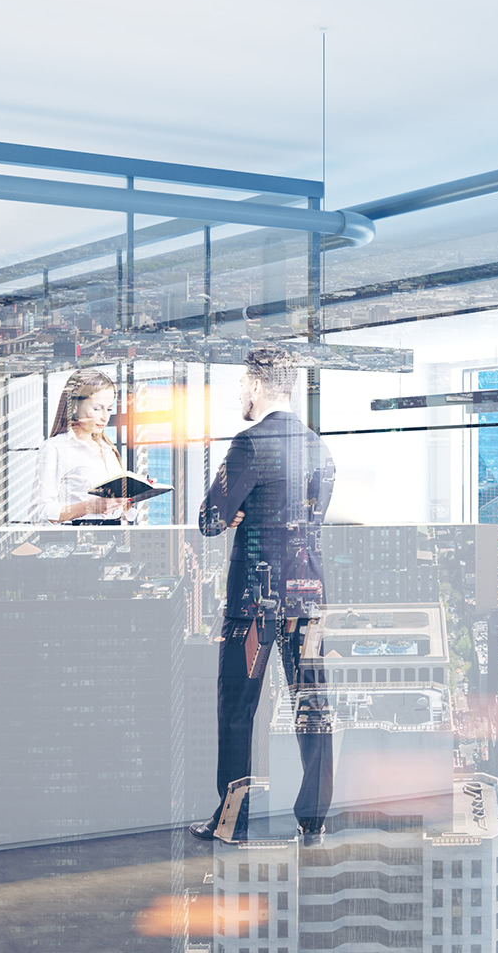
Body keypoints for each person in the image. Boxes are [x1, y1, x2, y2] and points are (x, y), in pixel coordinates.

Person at [189, 347, 336, 845]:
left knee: (238, 709)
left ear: (256, 384)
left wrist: (235, 514)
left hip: (255, 600)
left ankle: (233, 821)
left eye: (241, 385)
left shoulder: (250, 444)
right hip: (309, 595)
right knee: (310, 704)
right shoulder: (320, 446)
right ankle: (313, 817)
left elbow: (211, 519)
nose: (239, 394)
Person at [30, 368, 131, 525]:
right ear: (75, 406)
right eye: (97, 408)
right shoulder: (55, 448)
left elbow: (117, 510)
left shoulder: (107, 449)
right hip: (79, 538)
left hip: (115, 535)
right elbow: (39, 513)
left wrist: (125, 502)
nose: (105, 417)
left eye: (109, 409)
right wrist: (88, 507)